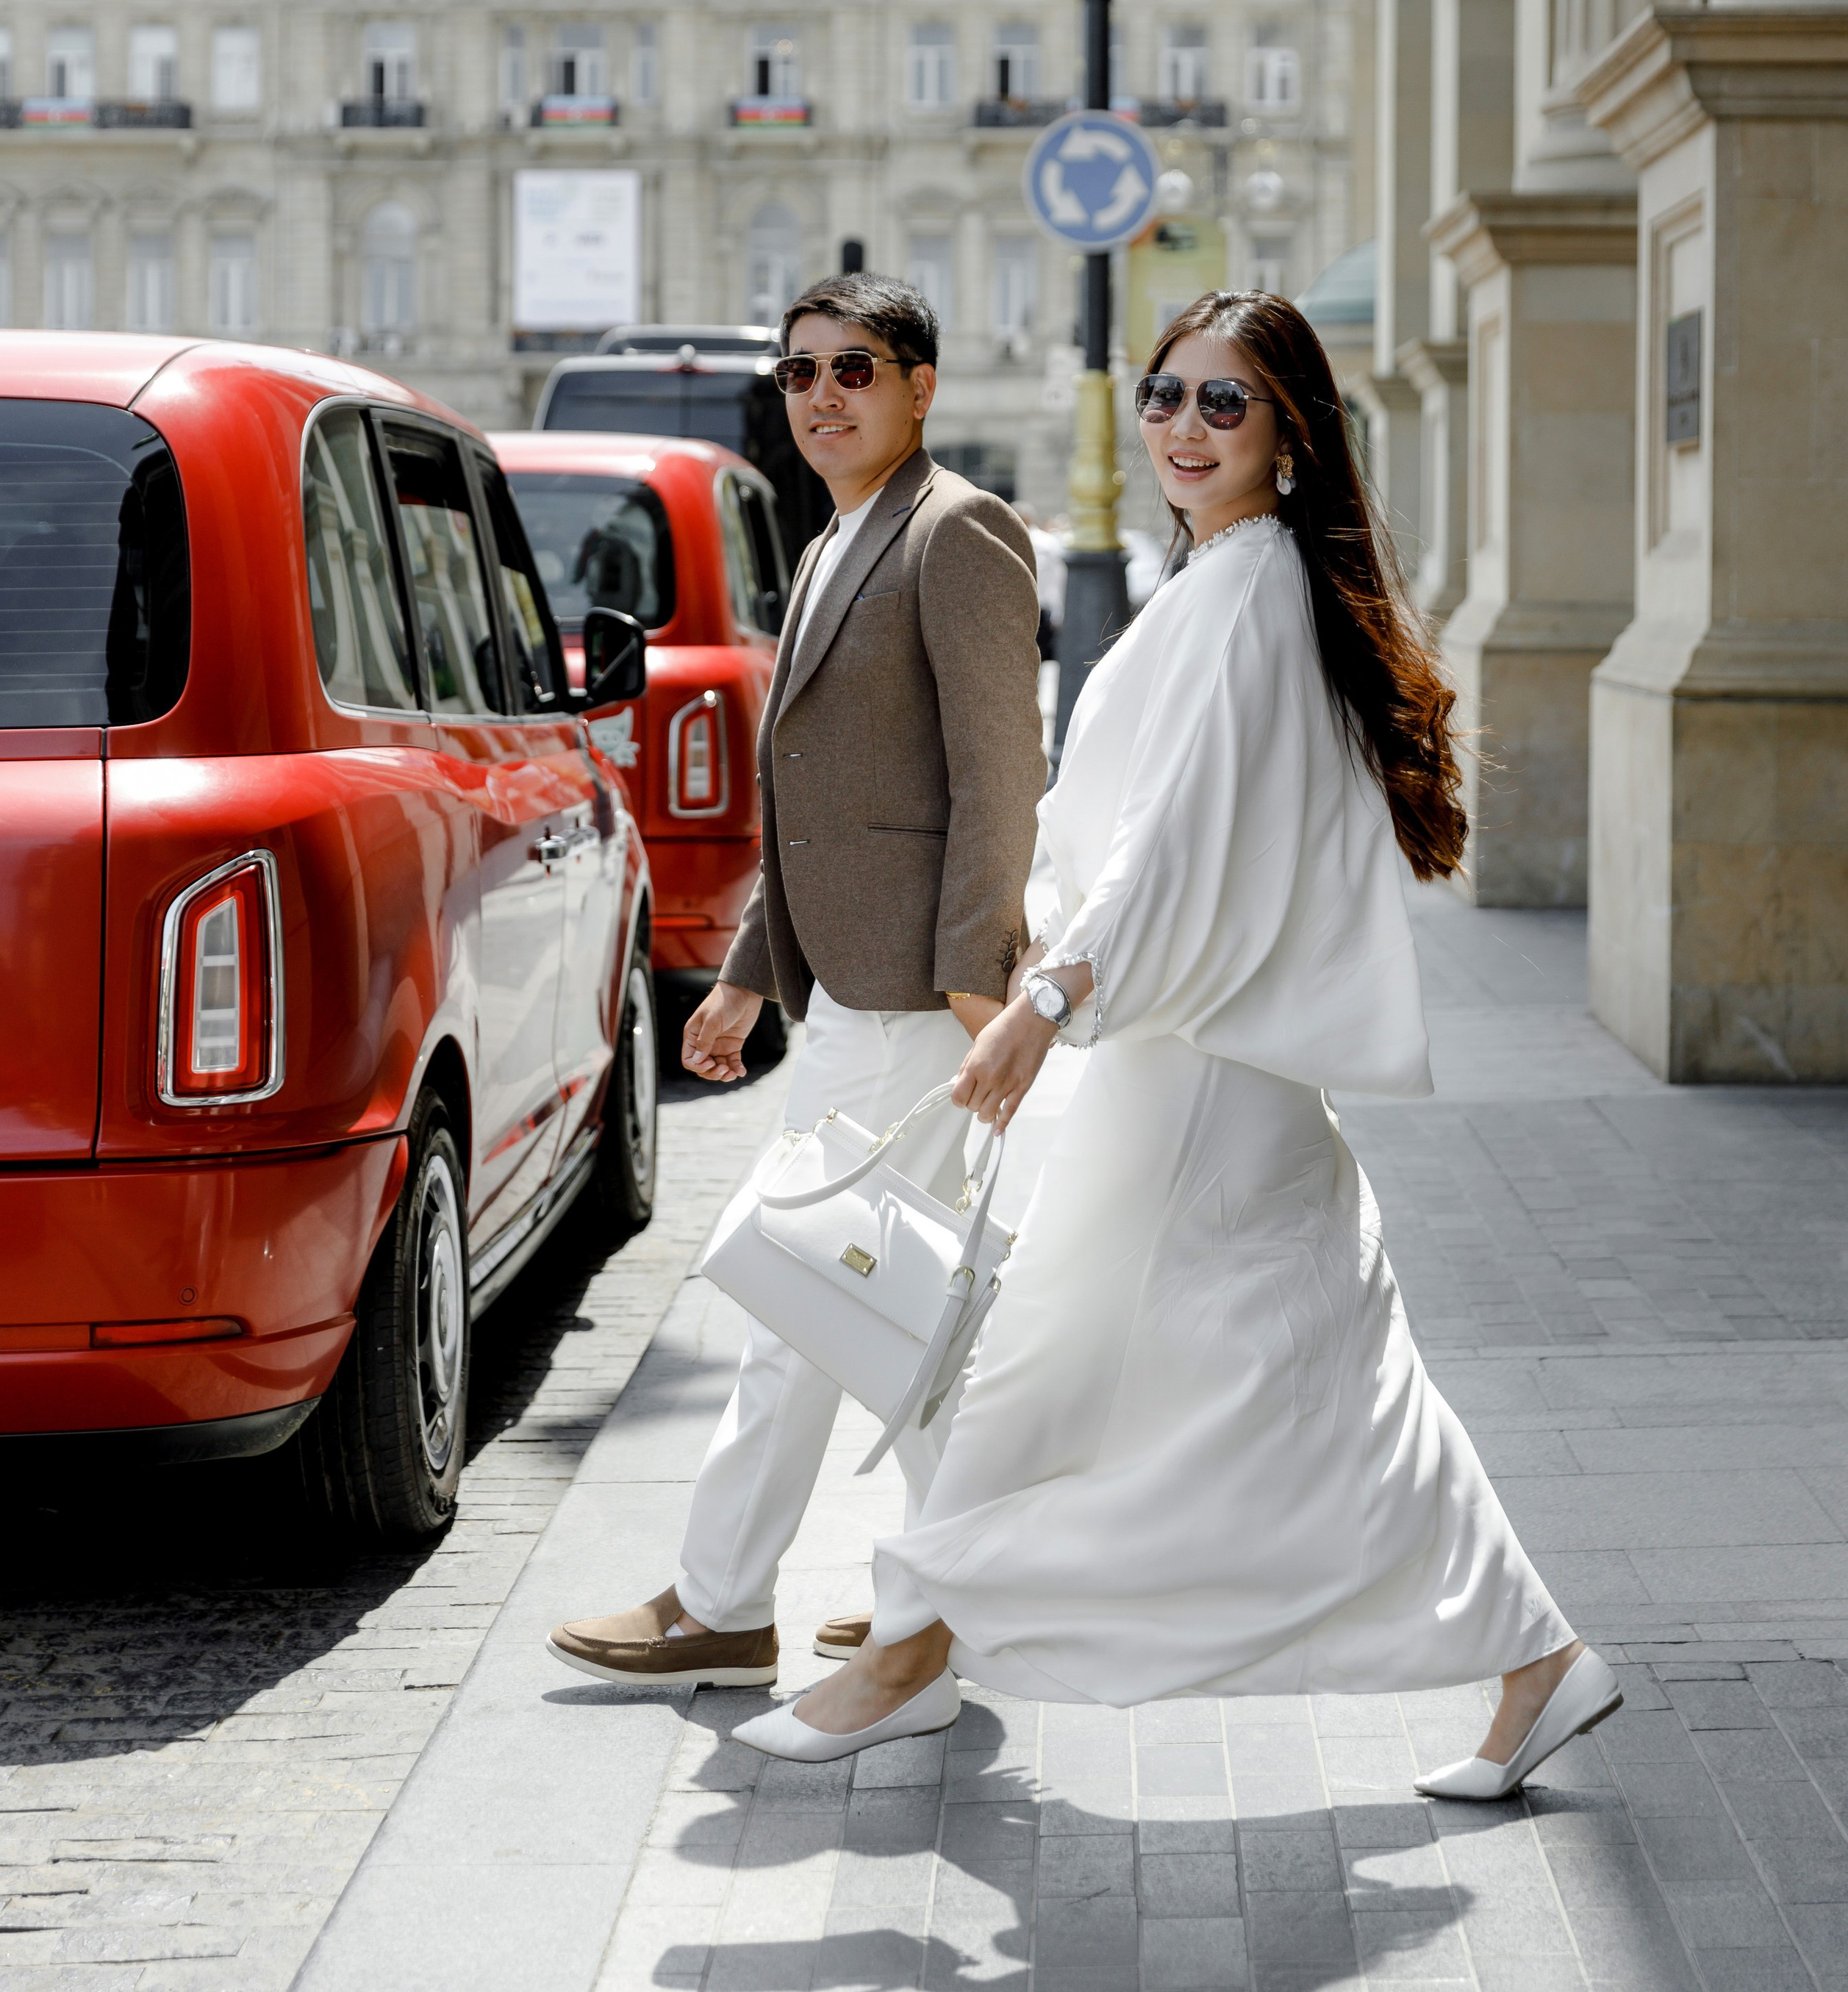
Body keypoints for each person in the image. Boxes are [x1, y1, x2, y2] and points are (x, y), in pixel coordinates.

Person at [734, 288, 1620, 1803]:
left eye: (1224, 405)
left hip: (1189, 1068)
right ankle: (1536, 1660)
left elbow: (1174, 844)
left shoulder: (1248, 590)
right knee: (1340, 1381)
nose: (1181, 429)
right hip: (1209, 1062)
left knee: (1043, 1368)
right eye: (1164, 396)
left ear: (1286, 438)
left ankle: (910, 1651)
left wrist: (1049, 1002)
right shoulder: (1228, 579)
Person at [548, 272, 1046, 1690]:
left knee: (813, 1296)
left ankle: (734, 1602)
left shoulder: (959, 535)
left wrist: (972, 984)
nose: (824, 395)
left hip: (912, 1004)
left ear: (921, 387)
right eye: (802, 373)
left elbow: (999, 779)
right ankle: (939, 1600)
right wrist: (748, 977)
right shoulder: (838, 537)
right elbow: (824, 799)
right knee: (882, 1304)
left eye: (858, 369)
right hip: (847, 990)